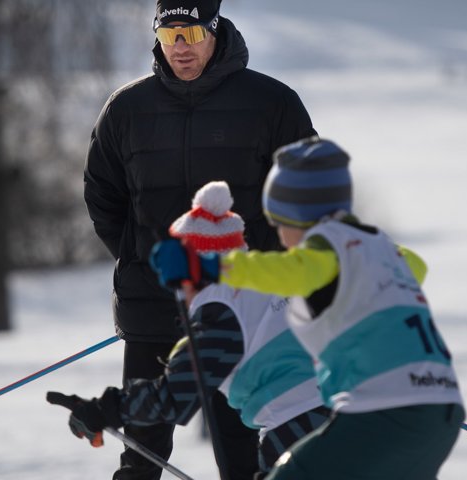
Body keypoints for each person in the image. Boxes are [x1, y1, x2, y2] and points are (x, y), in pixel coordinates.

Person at [82, 0, 317, 477]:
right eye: (170, 37)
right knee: (142, 448)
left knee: (243, 449)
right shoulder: (126, 108)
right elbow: (104, 198)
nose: (180, 48)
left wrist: (274, 274)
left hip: (245, 309)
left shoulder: (274, 103)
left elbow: (306, 195)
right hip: (155, 301)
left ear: (215, 31)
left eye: (190, 34)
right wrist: (145, 261)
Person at [149, 137, 466, 480]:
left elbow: (286, 272)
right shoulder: (370, 253)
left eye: (280, 223)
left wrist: (210, 269)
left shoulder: (305, 267)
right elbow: (414, 267)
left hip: (368, 410)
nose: (280, 236)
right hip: (432, 407)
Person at [48, 181, 330, 479]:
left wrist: (105, 410)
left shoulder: (222, 306)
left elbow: (175, 395)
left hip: (300, 431)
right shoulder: (271, 285)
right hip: (345, 417)